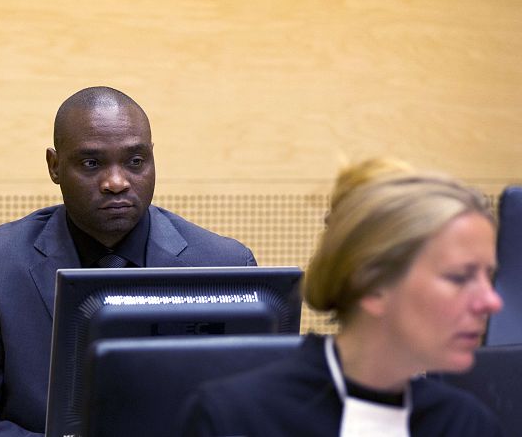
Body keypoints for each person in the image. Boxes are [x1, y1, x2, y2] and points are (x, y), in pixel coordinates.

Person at [0, 86, 257, 436]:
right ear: (54, 166)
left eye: (136, 162)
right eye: (91, 163)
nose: (116, 182)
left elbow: (249, 414)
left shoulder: (224, 266)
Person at [181, 170, 504, 436]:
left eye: (488, 276)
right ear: (373, 285)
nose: (491, 302)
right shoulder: (236, 419)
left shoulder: (468, 424)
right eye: (459, 277)